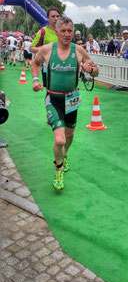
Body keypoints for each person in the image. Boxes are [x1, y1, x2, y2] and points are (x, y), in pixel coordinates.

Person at [31, 17, 99, 190]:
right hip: (53, 99)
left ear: (73, 32)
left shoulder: (79, 51)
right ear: (57, 32)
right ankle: (59, 169)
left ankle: (65, 155)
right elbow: (35, 63)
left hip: (72, 98)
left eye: (70, 31)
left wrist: (90, 69)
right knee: (59, 139)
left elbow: (95, 70)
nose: (67, 34)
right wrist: (35, 80)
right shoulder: (47, 49)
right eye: (63, 31)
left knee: (70, 135)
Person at [30, 6, 60, 85]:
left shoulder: (63, 31)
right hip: (48, 67)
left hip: (63, 66)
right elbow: (31, 48)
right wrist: (46, 49)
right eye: (53, 16)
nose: (56, 19)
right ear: (47, 18)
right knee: (50, 92)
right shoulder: (43, 31)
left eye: (58, 16)